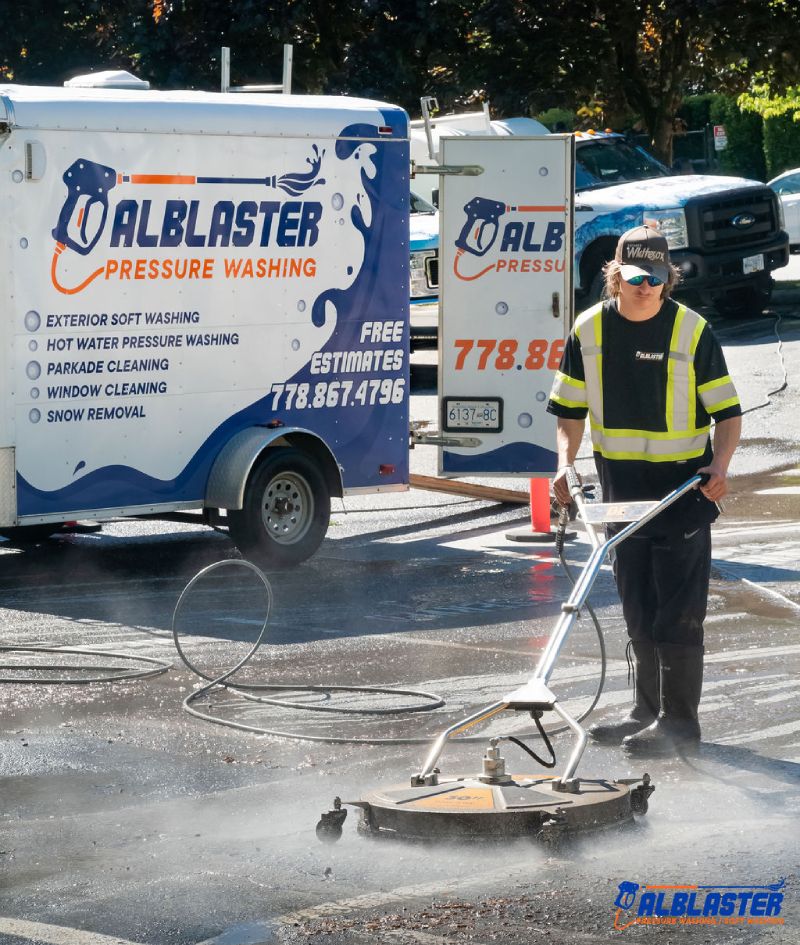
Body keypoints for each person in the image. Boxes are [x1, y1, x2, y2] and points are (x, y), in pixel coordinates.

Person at [547, 224, 742, 754]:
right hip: (621, 492)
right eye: (635, 278)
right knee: (638, 608)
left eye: (655, 279)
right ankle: (646, 712)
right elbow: (568, 411)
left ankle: (681, 725)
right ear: (615, 276)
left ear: (667, 277)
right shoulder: (588, 332)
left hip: (683, 491)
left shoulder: (692, 331)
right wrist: (565, 464)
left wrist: (720, 464)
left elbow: (727, 414)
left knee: (676, 613)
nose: (646, 288)